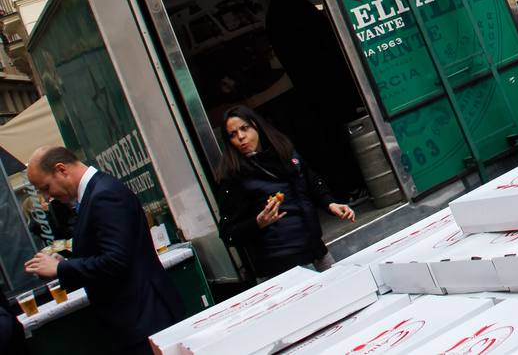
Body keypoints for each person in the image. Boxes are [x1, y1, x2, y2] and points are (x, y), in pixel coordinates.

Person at [24, 147, 182, 354]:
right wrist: (65, 260)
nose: (47, 197)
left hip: (143, 319)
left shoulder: (103, 195)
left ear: (61, 170)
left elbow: (115, 261)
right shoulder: (95, 193)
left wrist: (61, 268)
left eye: (45, 187)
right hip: (138, 319)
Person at [265, 0, 365, 202]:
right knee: (342, 137)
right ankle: (353, 186)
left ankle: (351, 186)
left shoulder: (280, 11)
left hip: (314, 88)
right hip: (326, 86)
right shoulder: (294, 9)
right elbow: (321, 46)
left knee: (333, 137)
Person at [216, 106, 355, 278]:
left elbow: (310, 180)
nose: (241, 137)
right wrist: (258, 223)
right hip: (280, 266)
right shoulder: (233, 176)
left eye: (244, 128)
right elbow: (228, 233)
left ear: (256, 126)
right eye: (232, 134)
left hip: (316, 249)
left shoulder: (284, 150)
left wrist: (330, 203)